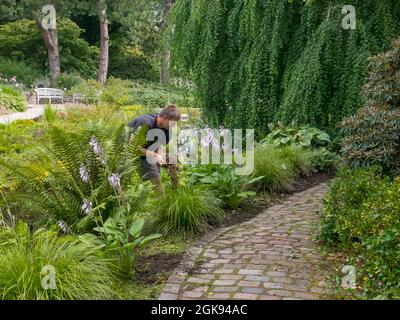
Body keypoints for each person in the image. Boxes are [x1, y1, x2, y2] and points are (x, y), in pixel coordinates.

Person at [128, 104, 181, 194]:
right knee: (156, 181)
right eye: (172, 123)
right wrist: (155, 155)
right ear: (164, 118)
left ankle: (176, 194)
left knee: (172, 163)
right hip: (127, 152)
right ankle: (162, 203)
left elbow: (159, 147)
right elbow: (132, 148)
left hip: (148, 151)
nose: (173, 126)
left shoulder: (168, 130)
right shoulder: (145, 122)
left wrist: (163, 157)